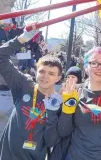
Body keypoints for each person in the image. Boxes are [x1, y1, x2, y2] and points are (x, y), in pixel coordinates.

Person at [0, 25, 63, 160]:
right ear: (36, 71)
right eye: (42, 71)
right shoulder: (24, 85)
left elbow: (52, 141)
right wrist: (21, 39)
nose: (45, 76)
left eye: (51, 73)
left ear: (58, 78)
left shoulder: (58, 103)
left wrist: (52, 113)